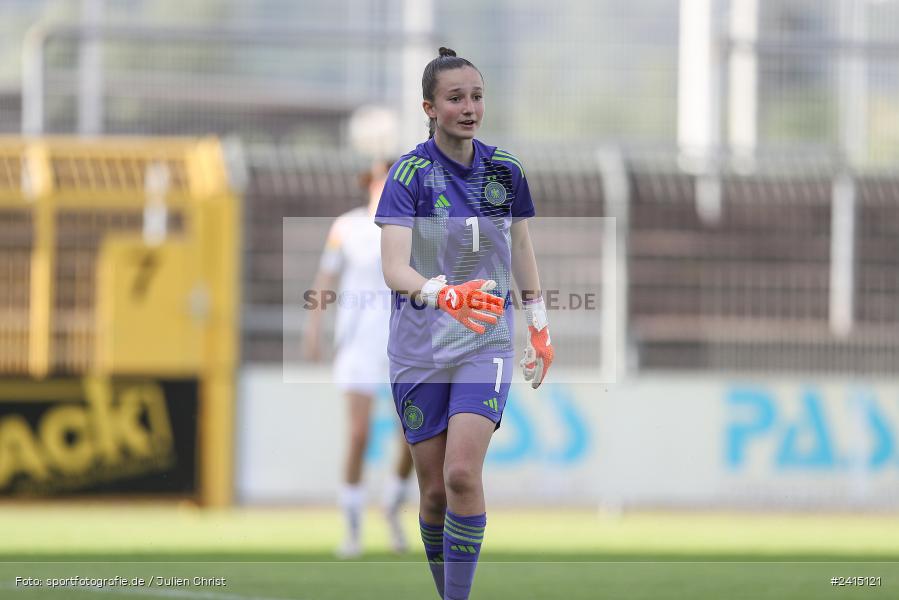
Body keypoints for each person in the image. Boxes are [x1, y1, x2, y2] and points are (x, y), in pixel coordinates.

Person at [375, 48, 554, 600]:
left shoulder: (506, 170)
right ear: (429, 107)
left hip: (485, 339)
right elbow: (393, 268)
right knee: (432, 495)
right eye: (456, 98)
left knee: (459, 476)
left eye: (476, 96)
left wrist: (539, 324)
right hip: (418, 348)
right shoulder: (408, 175)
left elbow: (519, 243)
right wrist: (444, 293)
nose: (470, 107)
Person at [303, 160, 414, 559]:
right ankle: (352, 528)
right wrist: (314, 328)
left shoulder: (414, 227)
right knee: (357, 434)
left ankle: (393, 507)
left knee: (411, 439)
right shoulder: (346, 227)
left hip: (404, 345)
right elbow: (324, 280)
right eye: (377, 180)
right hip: (357, 346)